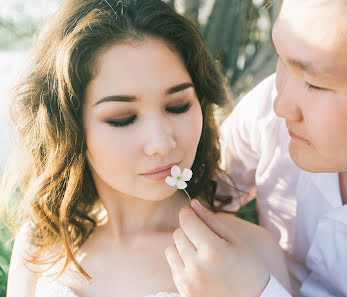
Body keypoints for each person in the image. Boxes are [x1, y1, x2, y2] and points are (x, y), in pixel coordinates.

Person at [1, 1, 291, 296]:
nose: (162, 143)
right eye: (122, 118)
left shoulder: (247, 253)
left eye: (178, 107)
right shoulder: (40, 246)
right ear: (69, 126)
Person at [169, 0, 347, 296]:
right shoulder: (268, 116)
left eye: (315, 84)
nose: (281, 105)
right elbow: (199, 198)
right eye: (282, 59)